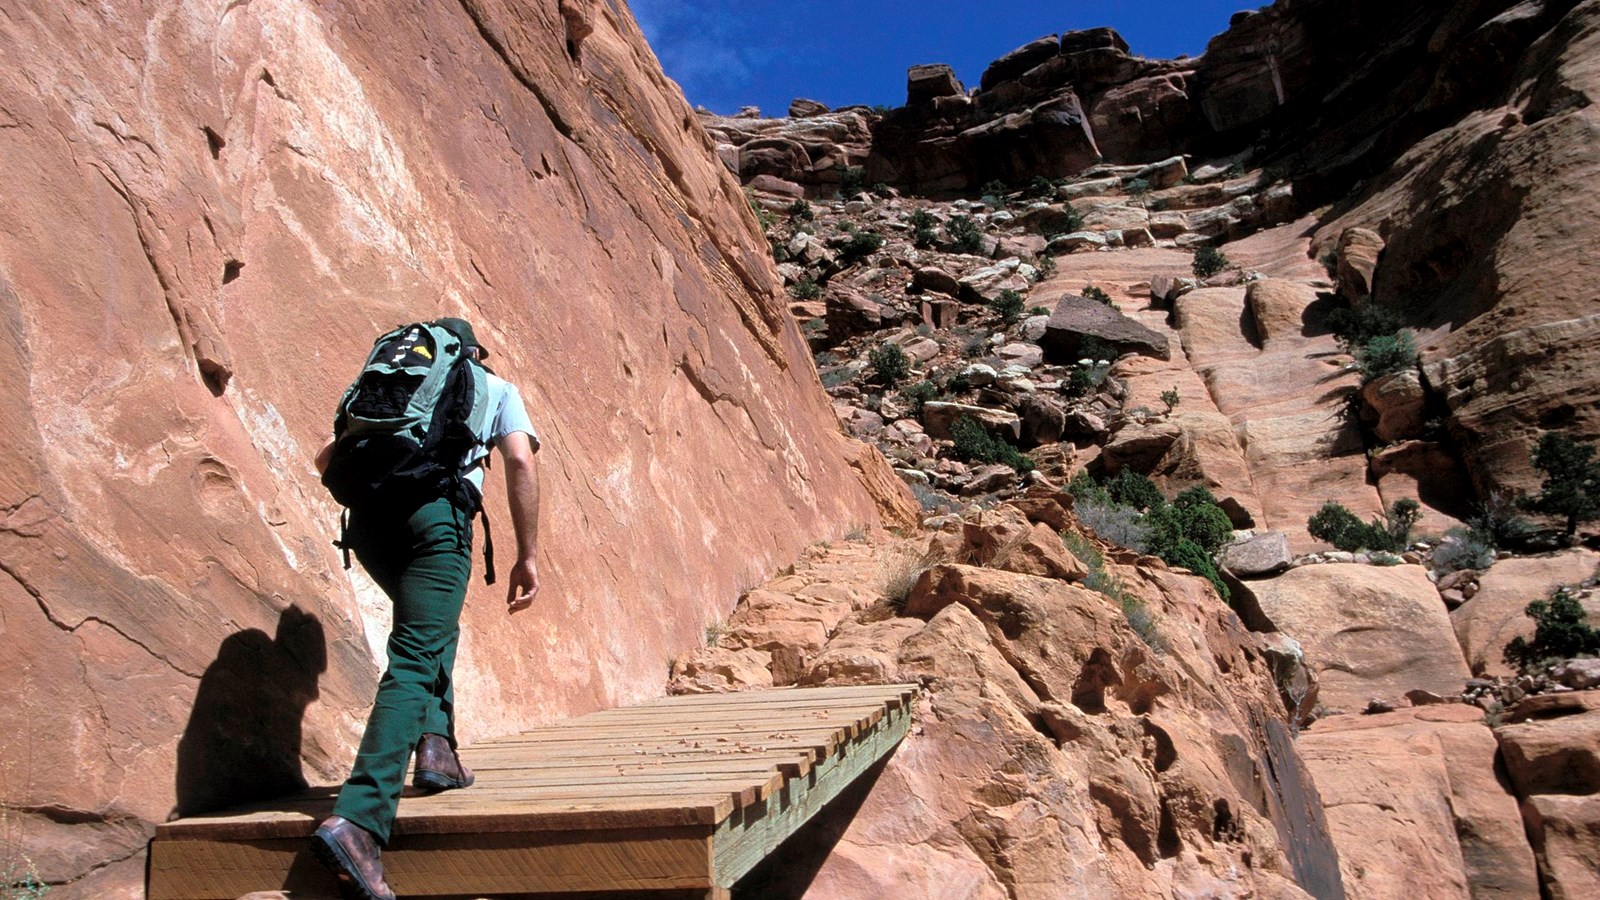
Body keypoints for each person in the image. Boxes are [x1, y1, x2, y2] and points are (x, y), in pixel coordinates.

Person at [308, 317, 541, 900]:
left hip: (369, 521)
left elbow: (324, 458)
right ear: (473, 354)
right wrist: (528, 555)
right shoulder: (495, 389)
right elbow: (519, 462)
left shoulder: (391, 383)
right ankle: (360, 822)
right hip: (435, 518)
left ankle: (437, 750)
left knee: (431, 629)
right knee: (414, 655)